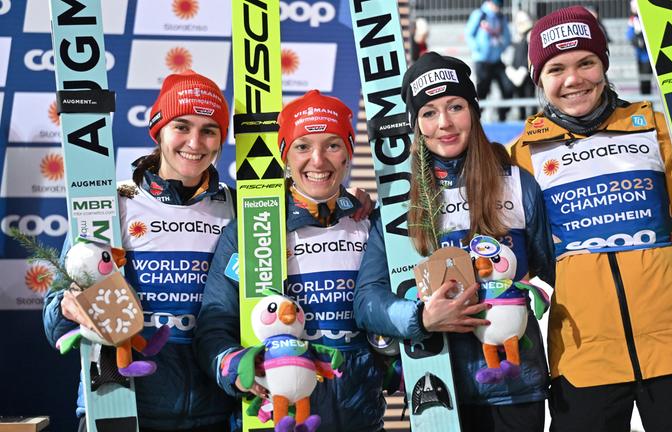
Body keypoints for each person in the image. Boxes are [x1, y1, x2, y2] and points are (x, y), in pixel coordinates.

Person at [509, 7, 672, 431]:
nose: (574, 79)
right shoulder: (524, 154)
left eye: (586, 62)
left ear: (604, 65)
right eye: (557, 68)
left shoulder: (657, 129)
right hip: (583, 359)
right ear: (539, 78)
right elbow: (514, 253)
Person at [354, 51, 555, 432]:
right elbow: (368, 300)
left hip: (515, 387)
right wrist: (420, 318)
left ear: (474, 111)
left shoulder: (516, 182)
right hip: (436, 385)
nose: (444, 123)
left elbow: (555, 272)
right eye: (428, 112)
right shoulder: (403, 201)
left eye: (455, 106)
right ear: (416, 125)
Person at [43, 70, 238, 431]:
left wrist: (359, 204)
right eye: (182, 126)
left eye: (209, 130)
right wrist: (66, 307)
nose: (194, 142)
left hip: (213, 410)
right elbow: (54, 317)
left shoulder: (237, 207)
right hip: (120, 404)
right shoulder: (111, 204)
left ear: (220, 140)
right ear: (158, 130)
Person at [194, 90, 385, 432]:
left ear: (348, 154)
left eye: (332, 144)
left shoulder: (369, 222)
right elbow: (214, 324)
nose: (318, 160)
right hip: (276, 416)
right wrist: (235, 366)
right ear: (284, 155)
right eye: (302, 146)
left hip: (361, 416)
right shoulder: (255, 228)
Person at [465, 0, 515, 122]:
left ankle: (502, 116)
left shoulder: (501, 17)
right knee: (482, 91)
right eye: (496, 5)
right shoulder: (479, 14)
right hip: (482, 61)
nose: (498, 8)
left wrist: (500, 48)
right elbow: (469, 34)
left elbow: (507, 37)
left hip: (496, 60)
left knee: (508, 87)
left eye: (499, 5)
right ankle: (476, 120)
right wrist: (479, 49)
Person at [507, 9, 536, 119]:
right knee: (520, 99)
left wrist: (524, 69)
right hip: (516, 73)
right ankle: (522, 119)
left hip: (527, 73)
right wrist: (511, 69)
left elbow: (529, 54)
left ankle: (533, 121)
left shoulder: (530, 35)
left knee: (529, 98)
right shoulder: (517, 36)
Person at [627, 0, 652, 95]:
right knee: (643, 81)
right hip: (640, 54)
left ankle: (649, 102)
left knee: (646, 81)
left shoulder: (647, 17)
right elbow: (629, 34)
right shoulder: (633, 19)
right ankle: (646, 103)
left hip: (648, 56)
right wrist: (636, 39)